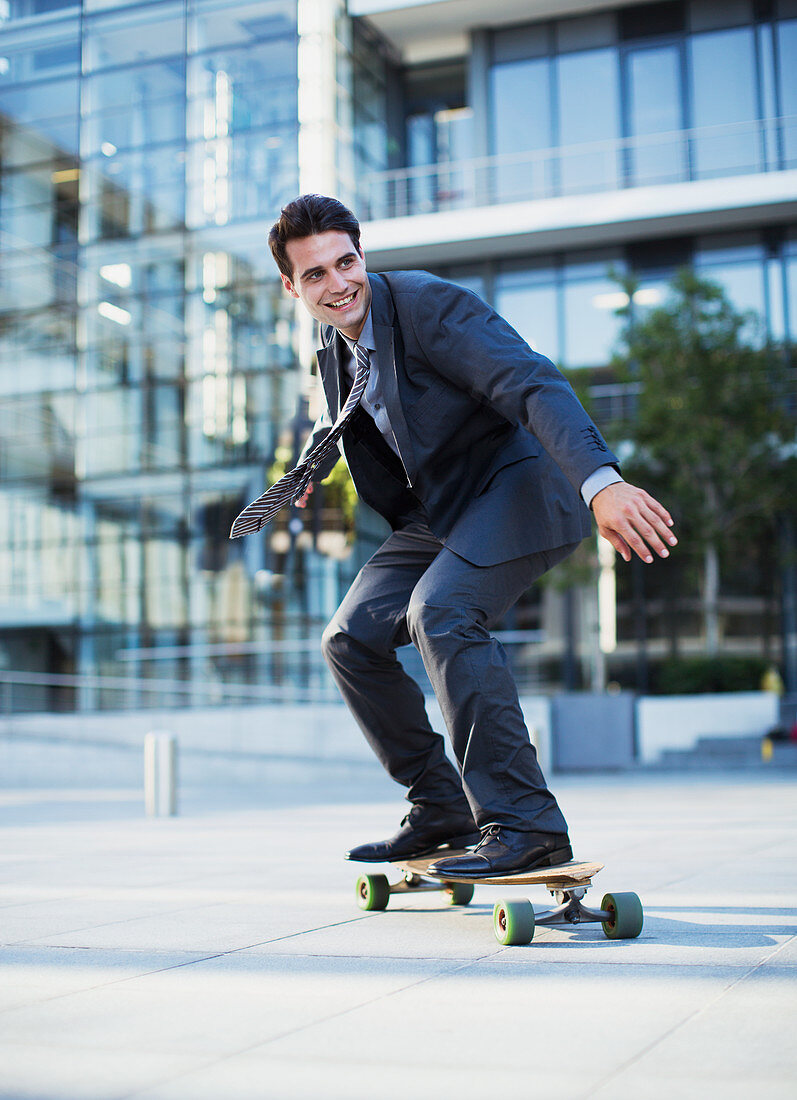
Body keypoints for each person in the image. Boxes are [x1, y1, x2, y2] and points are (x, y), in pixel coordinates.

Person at [246, 193, 676, 879]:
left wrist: (600, 481)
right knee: (348, 639)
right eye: (315, 275)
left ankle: (526, 824)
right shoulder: (329, 349)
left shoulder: (426, 306)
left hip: (515, 488)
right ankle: (439, 805)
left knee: (441, 613)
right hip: (438, 513)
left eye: (345, 262)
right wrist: (308, 474)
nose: (338, 284)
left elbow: (530, 381)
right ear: (290, 286)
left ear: (363, 255)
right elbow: (369, 424)